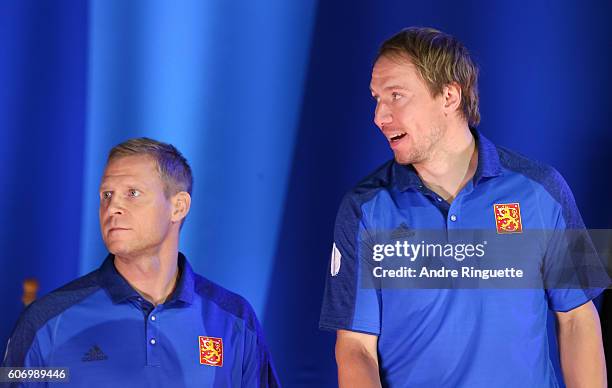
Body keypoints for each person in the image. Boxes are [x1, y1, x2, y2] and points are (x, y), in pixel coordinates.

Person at [319, 27, 607, 387]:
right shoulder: (362, 207)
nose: (379, 115)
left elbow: (579, 317)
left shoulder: (544, 189)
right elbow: (354, 347)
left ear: (450, 96)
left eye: (396, 96)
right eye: (376, 98)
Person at [3, 138, 280, 387]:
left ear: (179, 206)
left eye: (132, 193)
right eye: (106, 195)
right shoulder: (46, 321)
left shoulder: (234, 320)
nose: (112, 208)